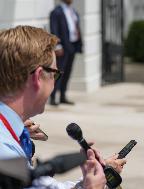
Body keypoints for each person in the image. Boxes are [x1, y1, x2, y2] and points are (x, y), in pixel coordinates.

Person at [0, 25, 105, 189]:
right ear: (38, 77)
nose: (55, 82)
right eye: (55, 74)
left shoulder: (9, 131)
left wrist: (85, 185)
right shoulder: (4, 149)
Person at [49, 0, 83, 106]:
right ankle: (53, 96)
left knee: (67, 72)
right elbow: (54, 30)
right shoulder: (56, 12)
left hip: (72, 46)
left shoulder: (73, 11)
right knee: (58, 73)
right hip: (62, 47)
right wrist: (57, 46)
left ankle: (63, 95)